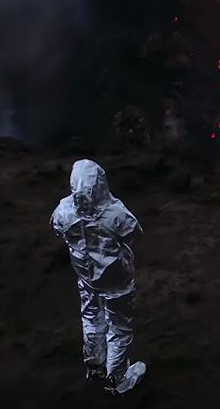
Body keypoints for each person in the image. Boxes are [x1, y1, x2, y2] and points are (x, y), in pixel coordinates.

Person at [51, 159, 147, 394]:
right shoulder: (113, 212)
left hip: (85, 276)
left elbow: (56, 227)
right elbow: (134, 232)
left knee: (91, 319)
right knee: (119, 326)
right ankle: (118, 378)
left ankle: (95, 366)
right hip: (116, 280)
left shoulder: (64, 209)